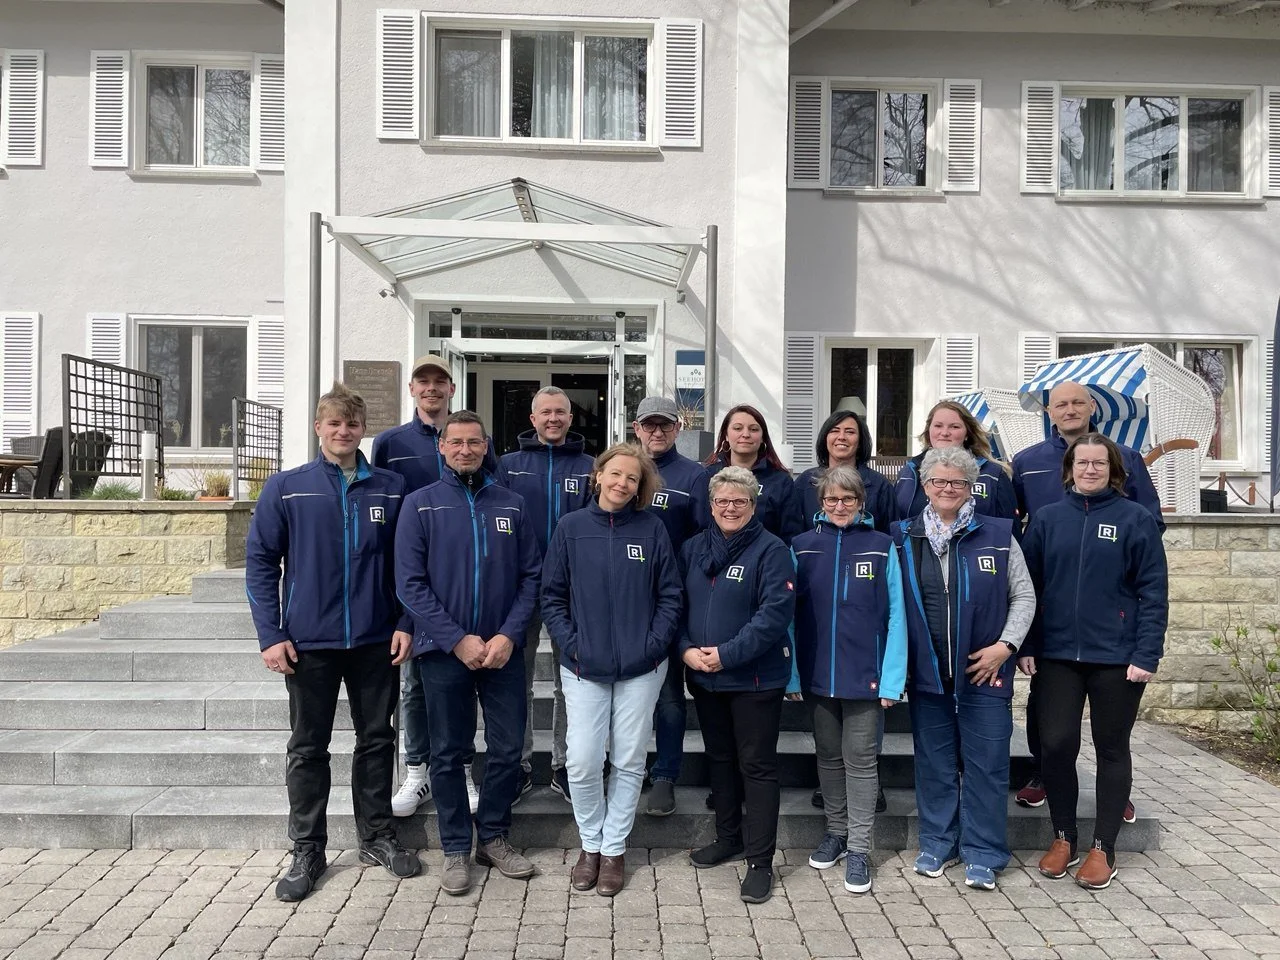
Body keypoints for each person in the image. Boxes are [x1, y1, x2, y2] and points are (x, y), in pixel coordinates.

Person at [246, 382, 420, 902]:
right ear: (319, 428)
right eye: (334, 423)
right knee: (307, 748)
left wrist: (406, 622)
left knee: (377, 741)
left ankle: (378, 837)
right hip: (308, 643)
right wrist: (271, 634)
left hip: (375, 639)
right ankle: (307, 849)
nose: (344, 432)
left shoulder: (391, 488)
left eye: (353, 423)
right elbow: (260, 563)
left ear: (363, 429)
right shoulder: (287, 487)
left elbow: (412, 564)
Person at [395, 410, 543, 896]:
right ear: (441, 447)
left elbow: (531, 578)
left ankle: (494, 837)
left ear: (486, 447)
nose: (464, 450)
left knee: (506, 747)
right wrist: (456, 638)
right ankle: (456, 845)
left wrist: (507, 636)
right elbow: (410, 585)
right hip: (443, 651)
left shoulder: (512, 505)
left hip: (502, 651)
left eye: (473, 442)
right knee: (449, 752)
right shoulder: (420, 506)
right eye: (455, 442)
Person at [1020, 433, 1168, 890]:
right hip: (1058, 654)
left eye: (1098, 463)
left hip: (1118, 658)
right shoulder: (1046, 520)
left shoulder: (1135, 519)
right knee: (1057, 745)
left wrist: (1146, 653)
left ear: (1113, 470)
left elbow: (1153, 592)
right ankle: (1064, 836)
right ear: (1069, 468)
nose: (1089, 470)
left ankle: (1104, 846)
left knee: (1110, 747)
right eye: (1081, 462)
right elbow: (1028, 590)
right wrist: (1026, 645)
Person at [1011, 380, 1163, 814]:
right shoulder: (1027, 462)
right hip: (1054, 615)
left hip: (1107, 616)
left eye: (1078, 402)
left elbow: (1149, 526)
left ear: (1091, 406)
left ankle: (1115, 799)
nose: (1071, 409)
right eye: (1062, 404)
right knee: (1049, 715)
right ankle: (1044, 774)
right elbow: (1016, 524)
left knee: (1111, 733)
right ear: (1049, 411)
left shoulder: (1127, 458)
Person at [541, 443, 683, 896]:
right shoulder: (570, 528)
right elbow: (553, 596)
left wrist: (653, 645)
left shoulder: (652, 529)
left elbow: (670, 595)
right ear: (598, 475)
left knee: (628, 758)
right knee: (582, 760)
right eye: (616, 474)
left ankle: (615, 848)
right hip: (583, 665)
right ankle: (591, 844)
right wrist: (573, 643)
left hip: (642, 667)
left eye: (633, 479)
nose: (623, 483)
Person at [892, 447, 1036, 891]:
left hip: (985, 673)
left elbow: (1024, 597)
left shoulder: (996, 533)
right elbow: (892, 607)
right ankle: (938, 842)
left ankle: (984, 852)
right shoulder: (903, 536)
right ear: (924, 486)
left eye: (957, 482)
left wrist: (1005, 646)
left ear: (971, 486)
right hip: (929, 674)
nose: (947, 489)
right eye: (938, 481)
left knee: (988, 765)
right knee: (933, 763)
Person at [373, 355, 496, 820]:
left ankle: (460, 766)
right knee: (413, 686)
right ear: (411, 389)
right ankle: (418, 770)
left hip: (463, 580)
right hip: (413, 583)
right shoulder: (391, 443)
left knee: (458, 689)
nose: (431, 388)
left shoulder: (475, 440)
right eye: (423, 381)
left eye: (439, 381)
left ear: (451, 388)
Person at [681, 466, 798, 904]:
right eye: (722, 501)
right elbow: (675, 601)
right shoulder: (693, 548)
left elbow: (773, 615)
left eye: (740, 501)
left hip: (754, 679)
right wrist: (686, 649)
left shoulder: (772, 550)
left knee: (756, 767)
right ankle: (728, 837)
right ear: (711, 505)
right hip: (705, 677)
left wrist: (726, 654)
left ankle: (760, 861)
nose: (730, 508)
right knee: (720, 760)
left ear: (754, 505)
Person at [792, 465, 907, 895]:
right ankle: (836, 833)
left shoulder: (882, 546)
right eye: (831, 499)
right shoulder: (802, 546)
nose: (839, 506)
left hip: (867, 676)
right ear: (820, 503)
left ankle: (859, 848)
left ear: (862, 503)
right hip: (818, 675)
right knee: (827, 756)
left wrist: (893, 678)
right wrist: (793, 672)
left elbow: (898, 616)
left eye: (848, 499)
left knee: (860, 761)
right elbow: (789, 616)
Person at [496, 386, 594, 801]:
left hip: (572, 590)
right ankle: (516, 765)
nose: (553, 419)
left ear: (571, 419)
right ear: (532, 419)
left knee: (569, 681)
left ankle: (565, 765)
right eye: (545, 413)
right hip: (520, 587)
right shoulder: (506, 466)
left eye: (561, 412)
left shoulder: (591, 466)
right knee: (514, 679)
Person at [629, 396, 708, 818]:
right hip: (623, 599)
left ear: (677, 428)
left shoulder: (693, 476)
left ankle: (666, 773)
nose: (656, 432)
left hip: (670, 599)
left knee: (668, 695)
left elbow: (701, 539)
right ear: (636, 428)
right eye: (648, 425)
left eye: (664, 425)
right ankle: (629, 767)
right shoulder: (622, 468)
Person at [894, 401, 1017, 522]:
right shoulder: (909, 472)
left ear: (967, 434)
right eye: (938, 426)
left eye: (954, 427)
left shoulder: (993, 474)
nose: (945, 433)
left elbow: (1009, 530)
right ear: (928, 431)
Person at [702, 404, 804, 545]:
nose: (745, 434)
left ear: (763, 437)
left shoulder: (780, 481)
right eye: (737, 428)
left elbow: (791, 534)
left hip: (765, 561)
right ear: (726, 434)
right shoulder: (707, 475)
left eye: (754, 429)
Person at [794, 409, 895, 534]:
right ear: (825, 438)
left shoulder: (879, 485)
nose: (841, 437)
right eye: (834, 431)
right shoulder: (805, 482)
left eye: (850, 432)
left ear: (860, 441)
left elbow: (890, 533)